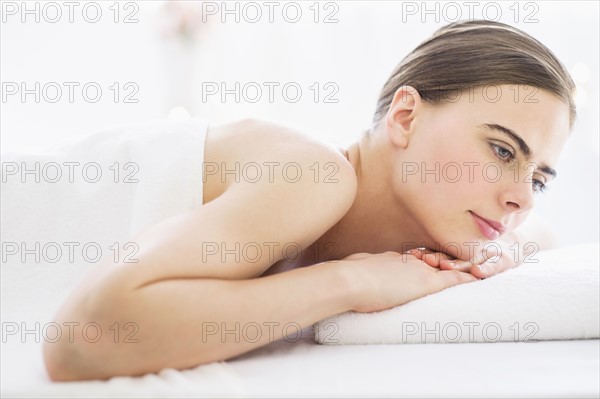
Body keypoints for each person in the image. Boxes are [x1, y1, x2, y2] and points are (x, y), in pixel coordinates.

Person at [43, 19, 576, 381]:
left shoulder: (445, 224)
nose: (520, 198)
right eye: (502, 150)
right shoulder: (313, 175)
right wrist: (354, 282)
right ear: (405, 117)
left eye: (540, 180)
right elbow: (83, 339)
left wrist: (509, 250)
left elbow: (543, 235)